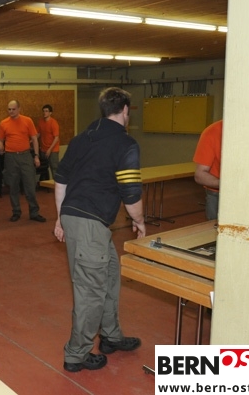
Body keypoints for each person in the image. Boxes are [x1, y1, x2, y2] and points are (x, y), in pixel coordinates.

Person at [53, 87, 145, 373]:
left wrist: (60, 217)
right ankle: (76, 354)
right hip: (90, 224)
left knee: (110, 275)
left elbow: (61, 178)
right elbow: (131, 191)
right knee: (90, 290)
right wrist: (139, 221)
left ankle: (110, 336)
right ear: (125, 111)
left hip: (82, 219)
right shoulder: (125, 143)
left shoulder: (82, 138)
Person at [0, 100, 46, 223]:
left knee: (30, 186)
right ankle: (16, 211)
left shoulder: (27, 121)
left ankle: (34, 212)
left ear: (19, 109)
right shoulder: (3, 123)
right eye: (9, 109)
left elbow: (34, 139)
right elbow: (0, 139)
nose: (11, 111)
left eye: (13, 109)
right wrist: (0, 146)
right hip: (10, 157)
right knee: (13, 186)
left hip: (25, 156)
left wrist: (36, 156)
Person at [193, 120, 222, 220]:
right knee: (215, 227)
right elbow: (200, 175)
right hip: (217, 194)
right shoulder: (212, 132)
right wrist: (228, 185)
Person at [37, 104, 60, 179]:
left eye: (46, 111)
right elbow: (38, 134)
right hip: (43, 149)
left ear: (50, 113)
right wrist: (31, 141)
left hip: (53, 150)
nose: (44, 113)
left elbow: (56, 138)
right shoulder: (41, 121)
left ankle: (56, 184)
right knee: (44, 168)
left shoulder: (53, 123)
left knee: (54, 168)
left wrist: (50, 150)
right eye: (43, 111)